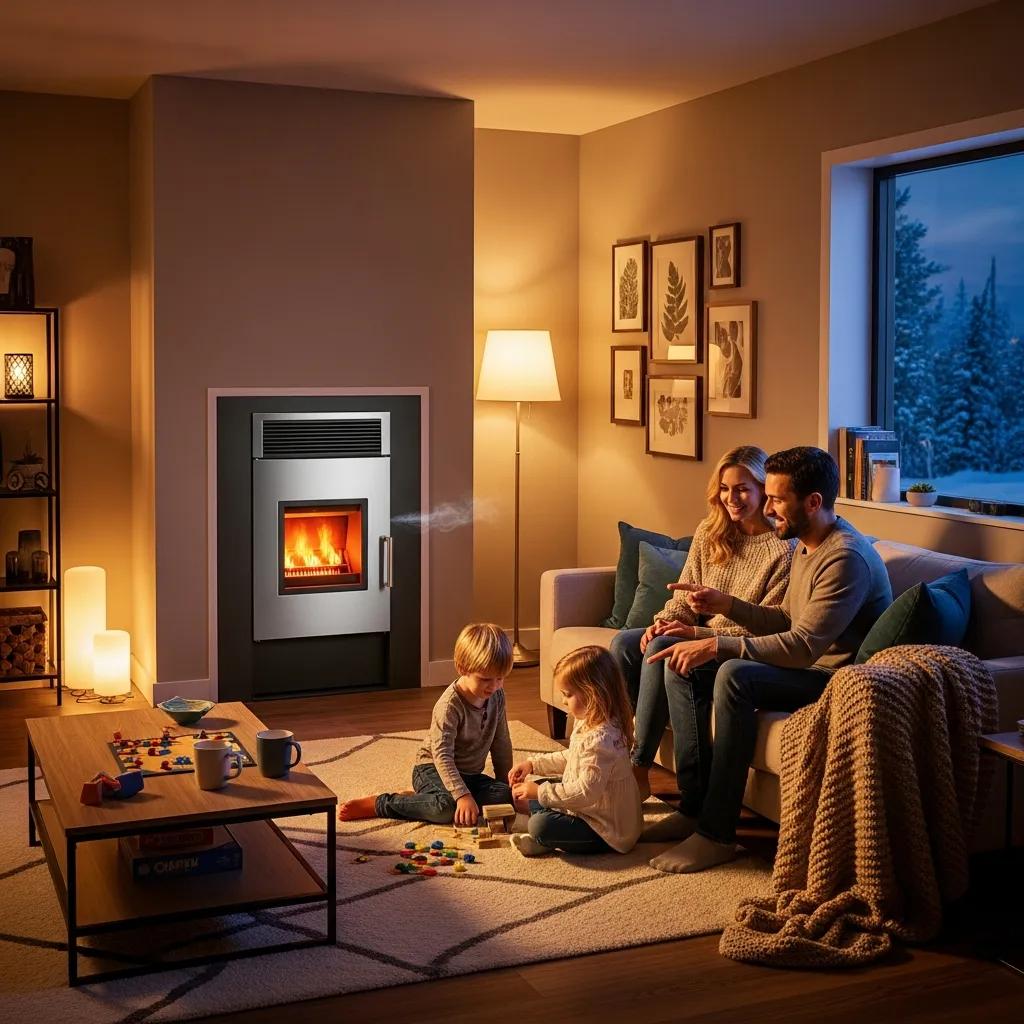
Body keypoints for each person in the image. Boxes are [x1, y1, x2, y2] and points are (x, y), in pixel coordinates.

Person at [642, 446, 893, 874]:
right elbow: (783, 619)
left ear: (812, 502)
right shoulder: (808, 541)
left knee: (735, 675)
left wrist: (716, 643)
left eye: (776, 499)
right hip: (805, 663)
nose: (769, 507)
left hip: (833, 678)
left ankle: (717, 834)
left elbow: (801, 646)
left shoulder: (844, 558)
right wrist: (729, 605)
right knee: (678, 659)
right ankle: (694, 806)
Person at [610, 445, 793, 802]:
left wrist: (694, 633)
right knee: (625, 645)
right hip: (692, 631)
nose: (731, 498)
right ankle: (613, 752)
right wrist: (663, 622)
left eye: (742, 488)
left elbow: (765, 627)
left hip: (733, 646)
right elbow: (684, 595)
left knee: (664, 647)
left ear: (763, 491)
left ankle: (638, 768)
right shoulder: (711, 531)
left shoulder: (782, 549)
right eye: (724, 488)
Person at [338, 622, 513, 824]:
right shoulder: (449, 706)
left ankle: (424, 800)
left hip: (470, 775)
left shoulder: (498, 697)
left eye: (500, 678)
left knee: (507, 796)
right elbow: (442, 755)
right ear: (463, 668)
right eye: (485, 679)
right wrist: (462, 795)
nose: (494, 686)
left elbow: (501, 743)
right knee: (445, 809)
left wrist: (504, 785)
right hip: (432, 769)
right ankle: (382, 804)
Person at [508, 646, 643, 856]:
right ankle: (545, 829)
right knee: (541, 787)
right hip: (589, 808)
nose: (563, 701)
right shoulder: (589, 721)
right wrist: (533, 764)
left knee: (540, 824)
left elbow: (585, 793)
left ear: (593, 693)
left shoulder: (602, 740)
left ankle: (543, 838)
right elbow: (572, 757)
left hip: (605, 830)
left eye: (568, 694)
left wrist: (540, 793)